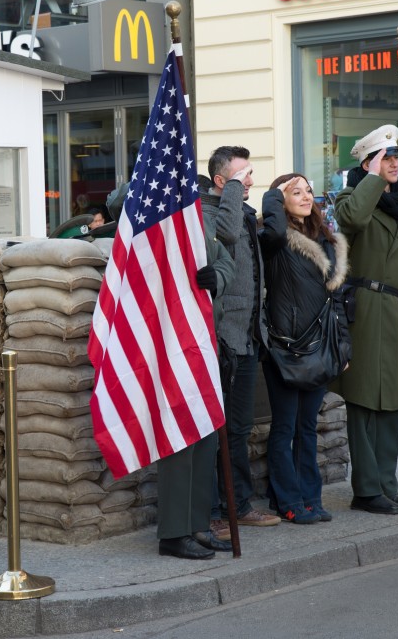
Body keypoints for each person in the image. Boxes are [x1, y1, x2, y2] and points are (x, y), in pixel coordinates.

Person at [334, 123, 398, 516]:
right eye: (386, 157)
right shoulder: (354, 195)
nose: (394, 163)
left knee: (389, 403)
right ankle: (366, 489)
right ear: (369, 163)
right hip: (365, 307)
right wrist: (372, 178)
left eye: (396, 158)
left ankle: (387, 484)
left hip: (394, 310)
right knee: (364, 402)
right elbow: (351, 218)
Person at [260, 173, 350, 524]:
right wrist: (272, 195)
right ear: (280, 200)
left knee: (307, 428)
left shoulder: (327, 238)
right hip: (285, 346)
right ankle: (287, 500)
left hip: (322, 345)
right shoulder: (274, 237)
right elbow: (274, 234)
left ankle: (311, 497)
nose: (305, 196)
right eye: (294, 191)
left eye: (308, 190)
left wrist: (343, 348)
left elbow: (337, 299)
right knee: (284, 428)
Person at [199, 145, 278, 538]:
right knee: (218, 430)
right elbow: (225, 234)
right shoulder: (208, 211)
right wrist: (231, 189)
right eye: (241, 174)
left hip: (248, 338)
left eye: (249, 172)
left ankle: (239, 504)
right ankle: (215, 511)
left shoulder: (242, 211)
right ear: (220, 181)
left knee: (241, 427)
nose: (249, 180)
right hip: (222, 338)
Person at [157, 201, 236, 559]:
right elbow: (119, 202)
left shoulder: (198, 217)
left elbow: (225, 260)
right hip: (169, 341)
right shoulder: (155, 207)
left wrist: (216, 277)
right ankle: (174, 532)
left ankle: (197, 525)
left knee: (205, 435)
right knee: (178, 438)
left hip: (203, 339)